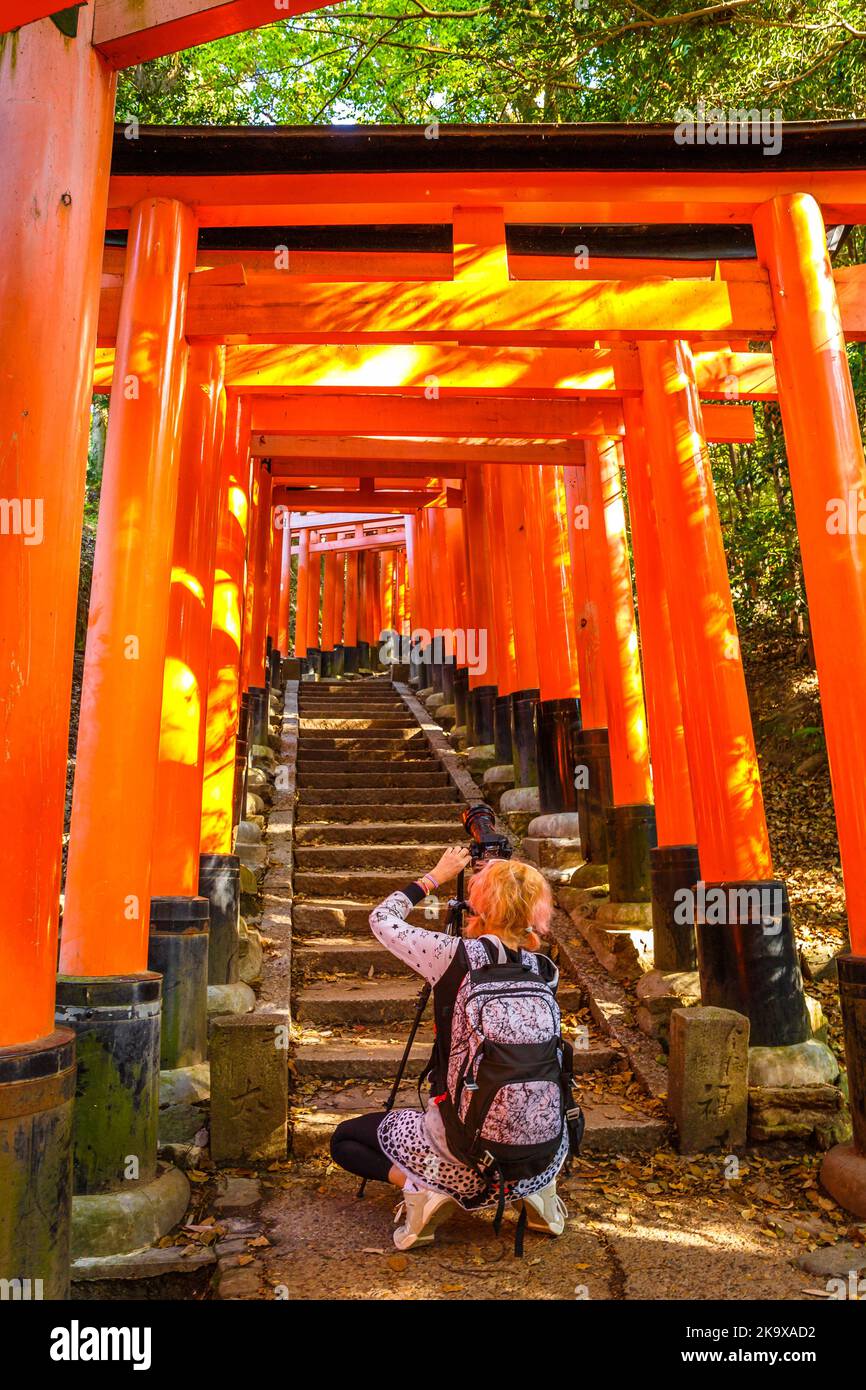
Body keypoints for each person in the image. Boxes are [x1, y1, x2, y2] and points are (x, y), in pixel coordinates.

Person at [329, 843, 572, 1251]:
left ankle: (420, 1188)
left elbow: (381, 919)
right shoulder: (544, 970)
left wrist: (436, 876)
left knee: (344, 1140)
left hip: (459, 1146)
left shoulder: (451, 955)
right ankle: (535, 1192)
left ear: (478, 903)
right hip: (541, 1149)